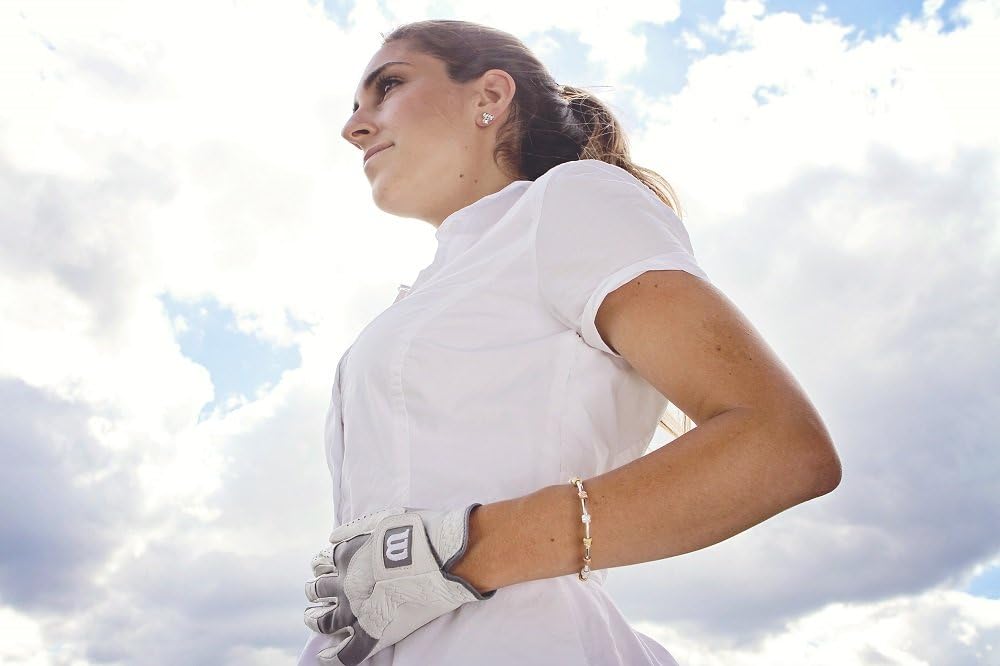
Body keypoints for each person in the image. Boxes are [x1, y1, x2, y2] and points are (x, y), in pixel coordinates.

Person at [298, 19, 843, 666]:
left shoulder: (569, 201)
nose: (354, 126)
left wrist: (460, 551)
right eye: (355, 107)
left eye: (387, 86)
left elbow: (780, 445)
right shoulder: (437, 284)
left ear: (489, 97)